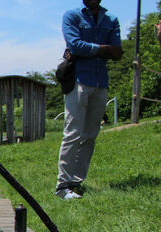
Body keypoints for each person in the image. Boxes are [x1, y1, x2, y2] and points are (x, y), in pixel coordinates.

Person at [56, 0, 122, 200]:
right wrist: (105, 49)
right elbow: (74, 46)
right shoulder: (72, 16)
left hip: (100, 81)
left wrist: (92, 49)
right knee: (73, 133)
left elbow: (118, 51)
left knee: (91, 134)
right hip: (77, 80)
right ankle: (62, 186)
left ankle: (76, 182)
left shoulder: (112, 19)